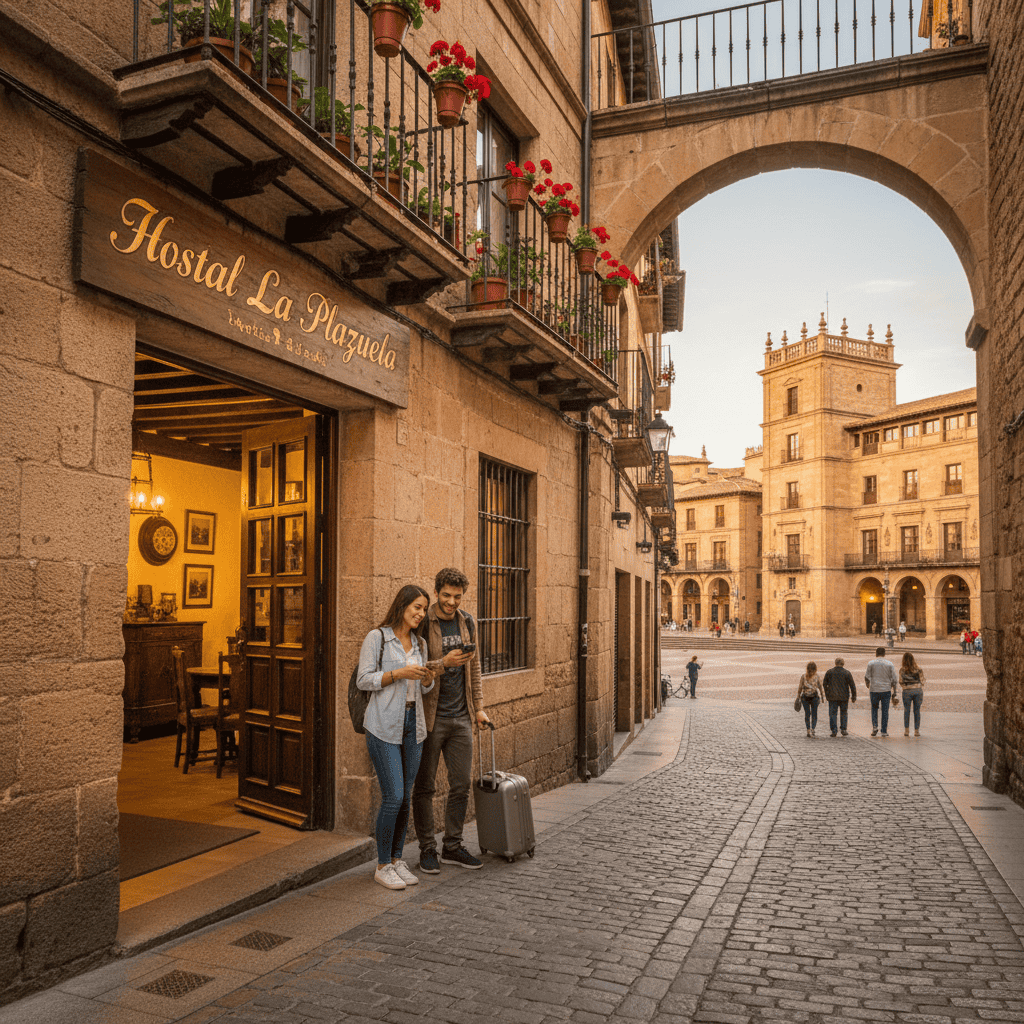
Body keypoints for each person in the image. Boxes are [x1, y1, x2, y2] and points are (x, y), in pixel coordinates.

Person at [357, 584, 437, 890]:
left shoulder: (420, 643)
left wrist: (427, 679)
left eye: (423, 609)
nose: (420, 614)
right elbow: (364, 680)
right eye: (416, 607)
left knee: (405, 796)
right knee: (394, 797)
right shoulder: (377, 638)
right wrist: (398, 674)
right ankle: (382, 865)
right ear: (402, 605)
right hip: (382, 725)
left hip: (412, 724)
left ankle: (396, 858)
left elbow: (424, 689)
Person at [413, 568, 490, 874]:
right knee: (425, 787)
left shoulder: (467, 621)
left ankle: (452, 846)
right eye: (446, 595)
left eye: (457, 597)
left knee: (460, 785)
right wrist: (442, 663)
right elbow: (415, 669)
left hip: (461, 718)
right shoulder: (423, 623)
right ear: (436, 592)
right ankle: (427, 849)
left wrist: (479, 708)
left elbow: (475, 667)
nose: (451, 602)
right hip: (431, 719)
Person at [864, 646, 898, 737]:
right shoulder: (889, 664)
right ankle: (884, 730)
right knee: (885, 710)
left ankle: (875, 726)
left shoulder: (871, 663)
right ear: (884, 654)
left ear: (876, 653)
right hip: (886, 689)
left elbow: (867, 677)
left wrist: (868, 685)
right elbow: (894, 679)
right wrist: (895, 691)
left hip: (874, 689)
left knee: (874, 708)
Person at [822, 656, 857, 737]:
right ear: (843, 664)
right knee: (844, 713)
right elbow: (852, 685)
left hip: (832, 696)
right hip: (844, 697)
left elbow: (824, 684)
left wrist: (827, 693)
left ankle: (834, 730)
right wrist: (853, 696)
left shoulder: (829, 672)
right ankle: (843, 729)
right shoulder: (847, 673)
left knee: (832, 713)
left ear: (835, 663)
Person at [899, 652, 925, 737]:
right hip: (917, 690)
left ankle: (906, 731)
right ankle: (916, 731)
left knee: (907, 710)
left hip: (907, 691)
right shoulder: (918, 669)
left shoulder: (902, 670)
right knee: (917, 711)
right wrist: (918, 686)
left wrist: (905, 687)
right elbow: (922, 681)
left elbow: (900, 681)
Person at [795, 661, 825, 737]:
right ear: (815, 669)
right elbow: (820, 687)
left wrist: (798, 697)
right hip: (814, 697)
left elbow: (800, 688)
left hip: (805, 697)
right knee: (814, 714)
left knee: (807, 714)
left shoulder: (803, 676)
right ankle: (813, 729)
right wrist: (822, 696)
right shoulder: (817, 676)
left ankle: (808, 730)